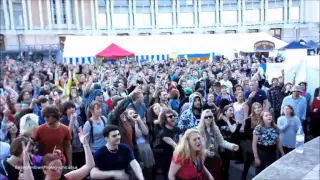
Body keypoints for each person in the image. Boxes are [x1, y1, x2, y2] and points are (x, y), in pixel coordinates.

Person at [22, 127, 95, 180]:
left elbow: (90, 165)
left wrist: (85, 144)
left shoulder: (68, 177)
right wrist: (25, 160)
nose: (58, 171)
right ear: (45, 169)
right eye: (54, 168)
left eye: (60, 166)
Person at [197, 109, 238, 180]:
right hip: (203, 158)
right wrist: (207, 152)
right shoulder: (198, 130)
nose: (208, 118)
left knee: (215, 175)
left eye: (210, 116)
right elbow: (197, 147)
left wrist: (231, 146)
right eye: (206, 117)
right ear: (202, 118)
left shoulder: (215, 128)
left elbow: (221, 142)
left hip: (214, 156)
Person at [252, 111, 284, 175]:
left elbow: (278, 143)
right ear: (262, 118)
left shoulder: (275, 128)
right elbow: (254, 144)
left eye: (269, 115)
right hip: (262, 152)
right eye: (266, 115)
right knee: (260, 172)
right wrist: (256, 157)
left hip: (273, 152)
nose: (269, 116)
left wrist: (283, 154)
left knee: (272, 171)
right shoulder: (258, 128)